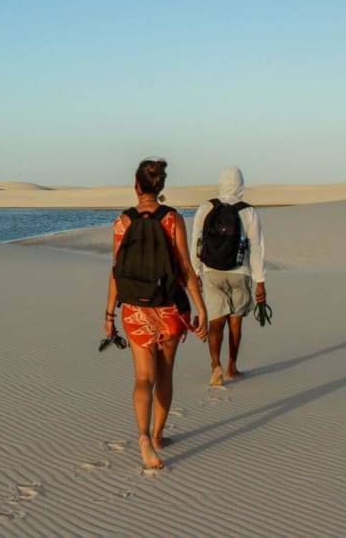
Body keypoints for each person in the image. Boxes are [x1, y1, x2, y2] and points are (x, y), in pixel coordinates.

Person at [105, 158, 208, 470]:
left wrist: (110, 314)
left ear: (136, 186)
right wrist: (200, 308)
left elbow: (115, 271)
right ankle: (160, 434)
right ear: (159, 187)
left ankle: (143, 437)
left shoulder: (122, 222)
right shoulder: (172, 219)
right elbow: (186, 268)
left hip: (135, 309)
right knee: (164, 374)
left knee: (142, 377)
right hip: (170, 307)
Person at [190, 166, 267, 386]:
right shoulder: (248, 211)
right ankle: (232, 366)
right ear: (241, 185)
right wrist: (260, 282)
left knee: (216, 322)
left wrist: (196, 272)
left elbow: (196, 241)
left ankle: (216, 365)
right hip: (239, 272)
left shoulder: (206, 208)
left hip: (212, 271)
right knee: (235, 323)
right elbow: (257, 247)